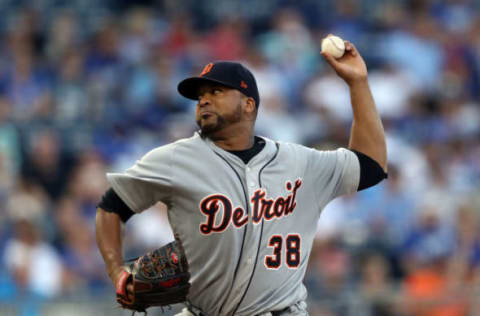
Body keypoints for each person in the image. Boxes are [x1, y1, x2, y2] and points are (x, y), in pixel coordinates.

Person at [95, 40, 387, 316]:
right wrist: (115, 271)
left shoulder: (300, 162)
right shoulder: (173, 160)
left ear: (249, 104)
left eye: (216, 92)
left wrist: (357, 83)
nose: (204, 100)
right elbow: (111, 207)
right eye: (200, 96)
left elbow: (371, 165)